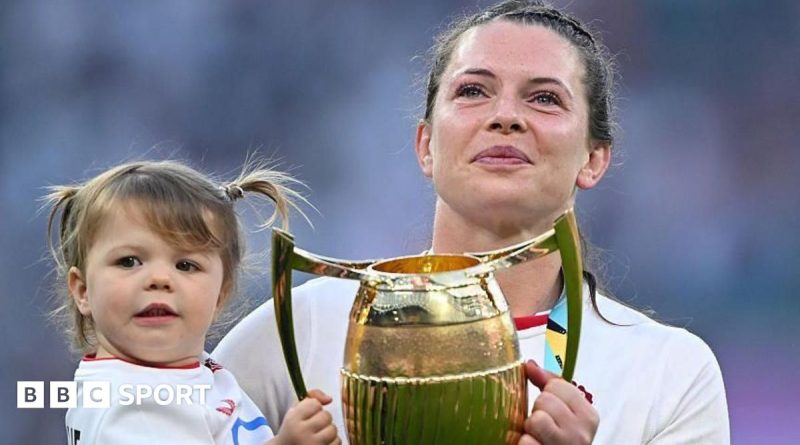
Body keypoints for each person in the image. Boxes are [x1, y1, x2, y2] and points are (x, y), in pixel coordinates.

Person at [214, 1, 729, 443]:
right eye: (473, 91)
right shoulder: (299, 330)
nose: (505, 116)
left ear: (593, 159)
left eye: (544, 98)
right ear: (426, 147)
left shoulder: (669, 372)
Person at [45, 160, 341, 445]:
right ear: (83, 291)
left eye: (185, 265)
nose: (160, 279)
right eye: (129, 261)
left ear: (219, 296)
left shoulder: (178, 373)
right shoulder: (135, 408)